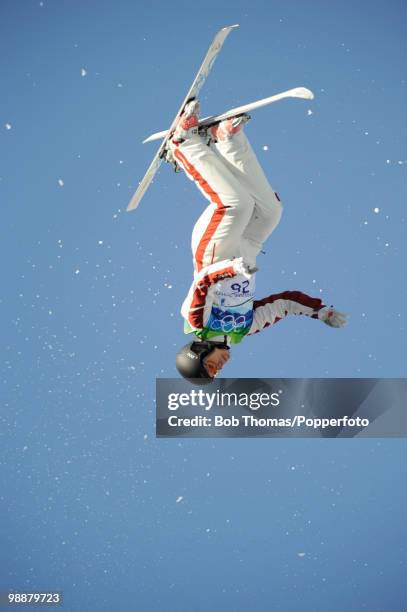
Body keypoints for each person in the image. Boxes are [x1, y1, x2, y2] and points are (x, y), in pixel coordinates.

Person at [165, 99, 347, 384]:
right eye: (217, 372)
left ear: (198, 352)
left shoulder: (196, 322)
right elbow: (284, 304)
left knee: (234, 205)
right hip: (248, 248)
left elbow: (202, 281)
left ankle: (182, 144)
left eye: (211, 368)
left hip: (215, 251)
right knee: (271, 211)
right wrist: (319, 311)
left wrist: (232, 269)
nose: (220, 368)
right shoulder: (244, 329)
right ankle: (227, 140)